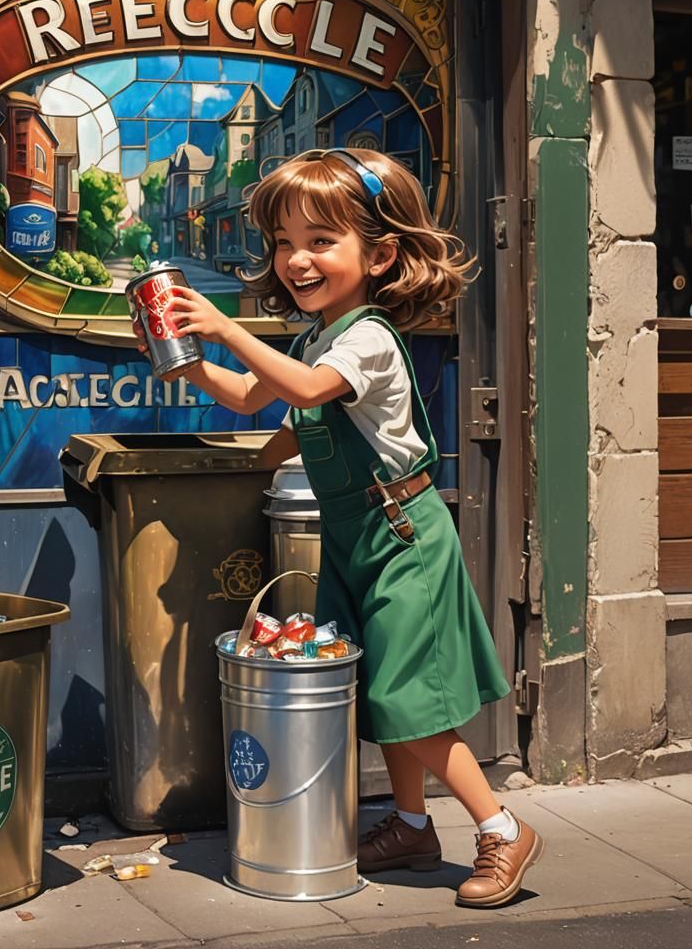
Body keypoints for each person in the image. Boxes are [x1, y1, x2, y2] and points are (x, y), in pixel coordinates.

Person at [134, 148, 544, 908]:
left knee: (402, 696)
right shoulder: (315, 337)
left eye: (320, 241)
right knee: (375, 688)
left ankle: (501, 827)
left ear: (380, 253)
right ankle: (413, 825)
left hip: (402, 536)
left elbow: (312, 391)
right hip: (355, 536)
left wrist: (224, 328)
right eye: (285, 243)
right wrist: (185, 364)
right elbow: (261, 401)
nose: (296, 260)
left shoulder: (366, 338)